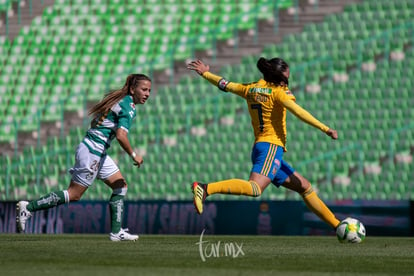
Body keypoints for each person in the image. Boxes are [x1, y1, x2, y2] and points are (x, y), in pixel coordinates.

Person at [187, 58, 341, 230]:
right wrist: (325, 128)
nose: (287, 79)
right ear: (277, 75)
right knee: (255, 188)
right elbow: (299, 112)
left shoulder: (250, 88)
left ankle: (337, 225)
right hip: (271, 148)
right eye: (286, 76)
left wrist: (206, 74)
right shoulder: (277, 93)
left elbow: (226, 84)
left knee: (304, 186)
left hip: (262, 147)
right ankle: (205, 188)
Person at [16, 74, 152, 241]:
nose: (147, 94)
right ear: (133, 89)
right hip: (92, 151)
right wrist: (134, 154)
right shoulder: (128, 106)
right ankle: (28, 207)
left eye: (149, 91)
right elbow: (121, 135)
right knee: (74, 194)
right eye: (144, 89)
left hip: (97, 150)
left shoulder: (120, 100)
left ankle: (117, 233)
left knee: (120, 185)